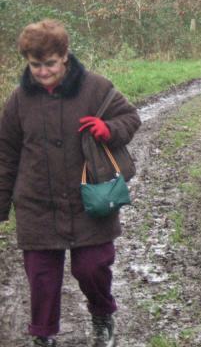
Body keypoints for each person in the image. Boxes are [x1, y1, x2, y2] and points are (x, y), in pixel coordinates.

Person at [0, 19, 141, 347]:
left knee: (92, 268)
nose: (42, 71)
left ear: (64, 56)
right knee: (41, 277)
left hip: (90, 199)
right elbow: (6, 153)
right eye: (35, 65)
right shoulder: (19, 100)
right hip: (36, 202)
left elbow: (130, 118)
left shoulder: (96, 88)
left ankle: (102, 314)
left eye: (49, 63)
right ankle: (43, 334)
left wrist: (109, 129)